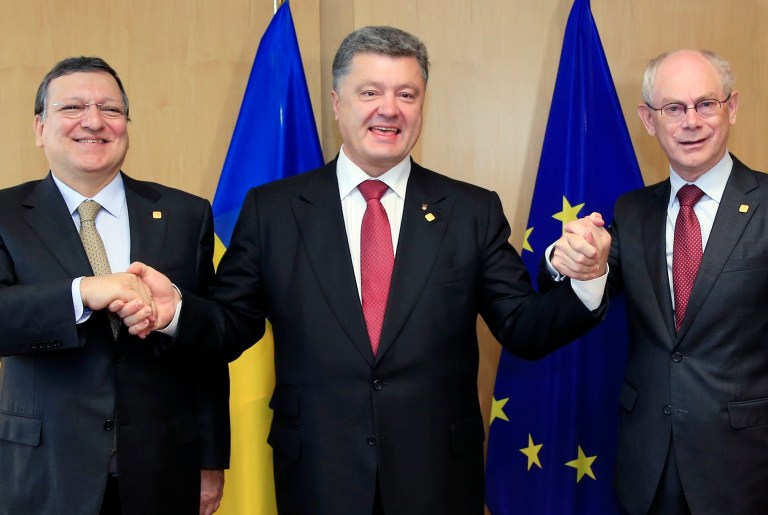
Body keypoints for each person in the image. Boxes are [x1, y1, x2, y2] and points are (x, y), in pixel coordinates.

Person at [122, 27, 610, 514]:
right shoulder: (273, 210)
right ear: (337, 103)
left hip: (437, 475)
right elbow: (231, 324)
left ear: (422, 106)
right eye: (370, 92)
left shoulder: (470, 211)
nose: (389, 109)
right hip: (318, 471)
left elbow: (522, 327)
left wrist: (585, 281)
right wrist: (177, 312)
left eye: (406, 94)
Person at [0, 56, 230, 515]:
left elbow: (208, 350)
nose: (93, 121)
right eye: (72, 108)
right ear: (40, 127)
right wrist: (81, 293)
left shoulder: (185, 214)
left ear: (126, 124)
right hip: (44, 470)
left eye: (110, 109)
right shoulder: (6, 215)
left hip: (164, 467)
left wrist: (210, 459)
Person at [550, 49, 767, 515]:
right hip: (647, 464)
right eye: (673, 108)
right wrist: (568, 258)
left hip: (747, 466)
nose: (691, 121)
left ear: (732, 107)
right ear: (649, 120)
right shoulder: (632, 212)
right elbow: (594, 287)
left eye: (705, 104)